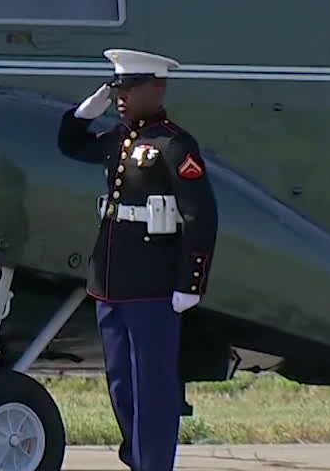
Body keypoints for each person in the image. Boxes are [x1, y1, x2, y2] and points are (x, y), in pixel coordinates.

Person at [56, 48, 219, 471]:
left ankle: (153, 464)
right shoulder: (118, 137)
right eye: (117, 87)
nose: (121, 95)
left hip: (153, 280)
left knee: (153, 386)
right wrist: (89, 108)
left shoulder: (173, 144)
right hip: (111, 277)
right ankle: (139, 457)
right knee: (121, 384)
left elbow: (199, 215)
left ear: (158, 87)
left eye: (129, 87)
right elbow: (70, 144)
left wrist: (191, 281)